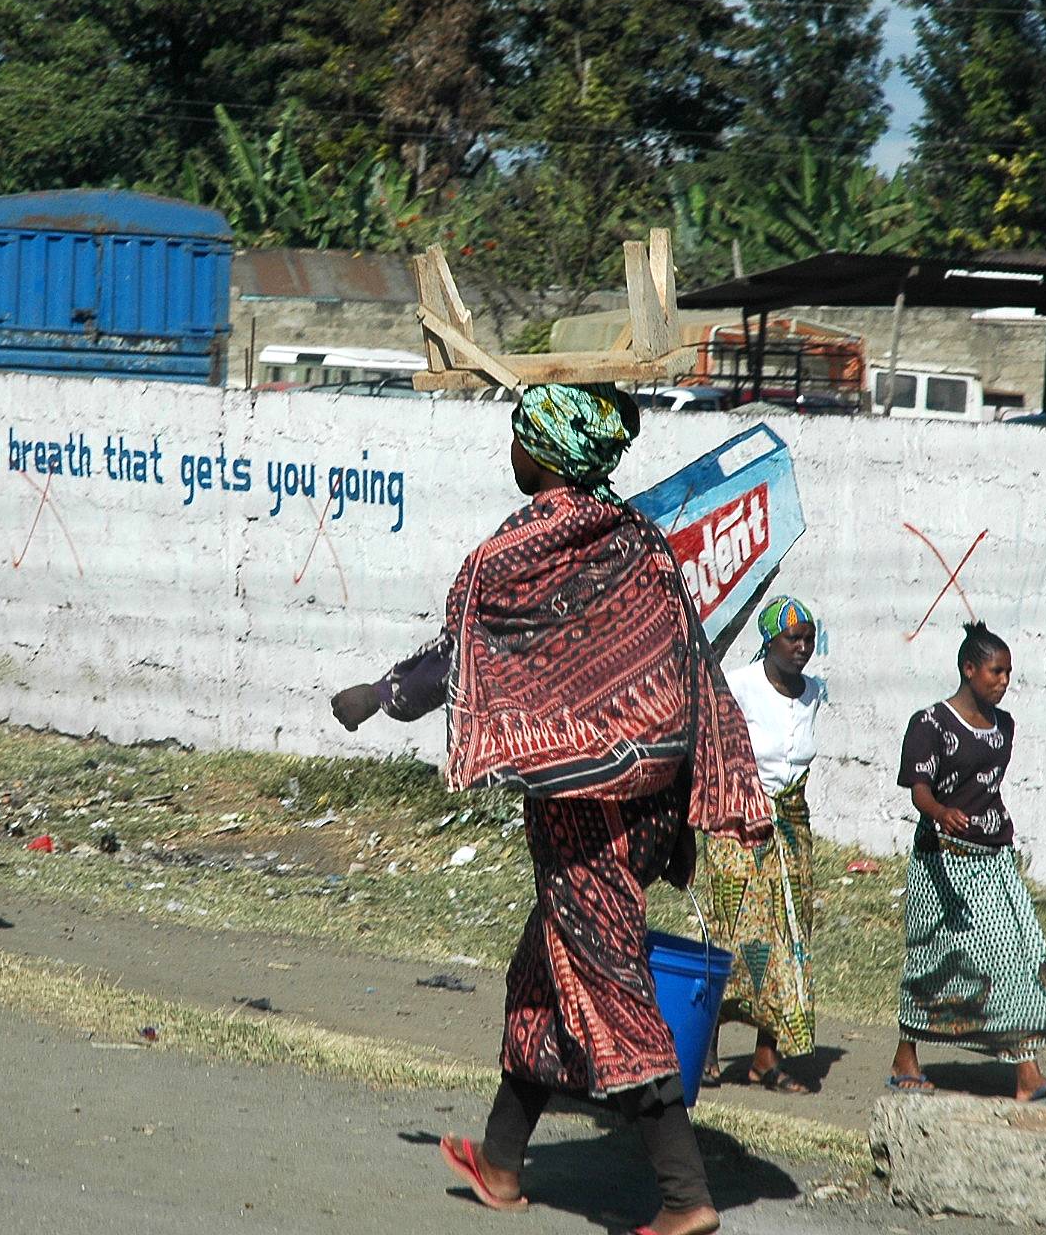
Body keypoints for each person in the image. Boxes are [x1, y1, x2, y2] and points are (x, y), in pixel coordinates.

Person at [330, 384, 771, 1235]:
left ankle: (685, 1197)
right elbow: (682, 658)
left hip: (583, 806)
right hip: (654, 798)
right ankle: (500, 1160)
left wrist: (376, 695)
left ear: (548, 456)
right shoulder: (638, 542)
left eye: (520, 437)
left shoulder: (528, 548)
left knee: (605, 975)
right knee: (545, 970)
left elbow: (462, 656)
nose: (511, 451)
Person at [889, 623, 1046, 1103]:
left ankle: (1027, 1073)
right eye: (996, 670)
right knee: (934, 960)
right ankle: (905, 1057)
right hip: (944, 865)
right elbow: (920, 792)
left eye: (1009, 672)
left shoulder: (1004, 726)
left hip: (994, 858)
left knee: (1023, 956)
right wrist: (941, 813)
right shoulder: (930, 724)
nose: (1004, 680)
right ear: (968, 669)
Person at [699, 595, 824, 1094]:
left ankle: (766, 1060)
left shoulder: (814, 692)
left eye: (808, 639)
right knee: (735, 934)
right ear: (768, 641)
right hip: (740, 823)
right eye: (792, 639)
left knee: (792, 938)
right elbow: (713, 747)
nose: (802, 648)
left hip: (792, 826)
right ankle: (705, 1043)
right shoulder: (740, 686)